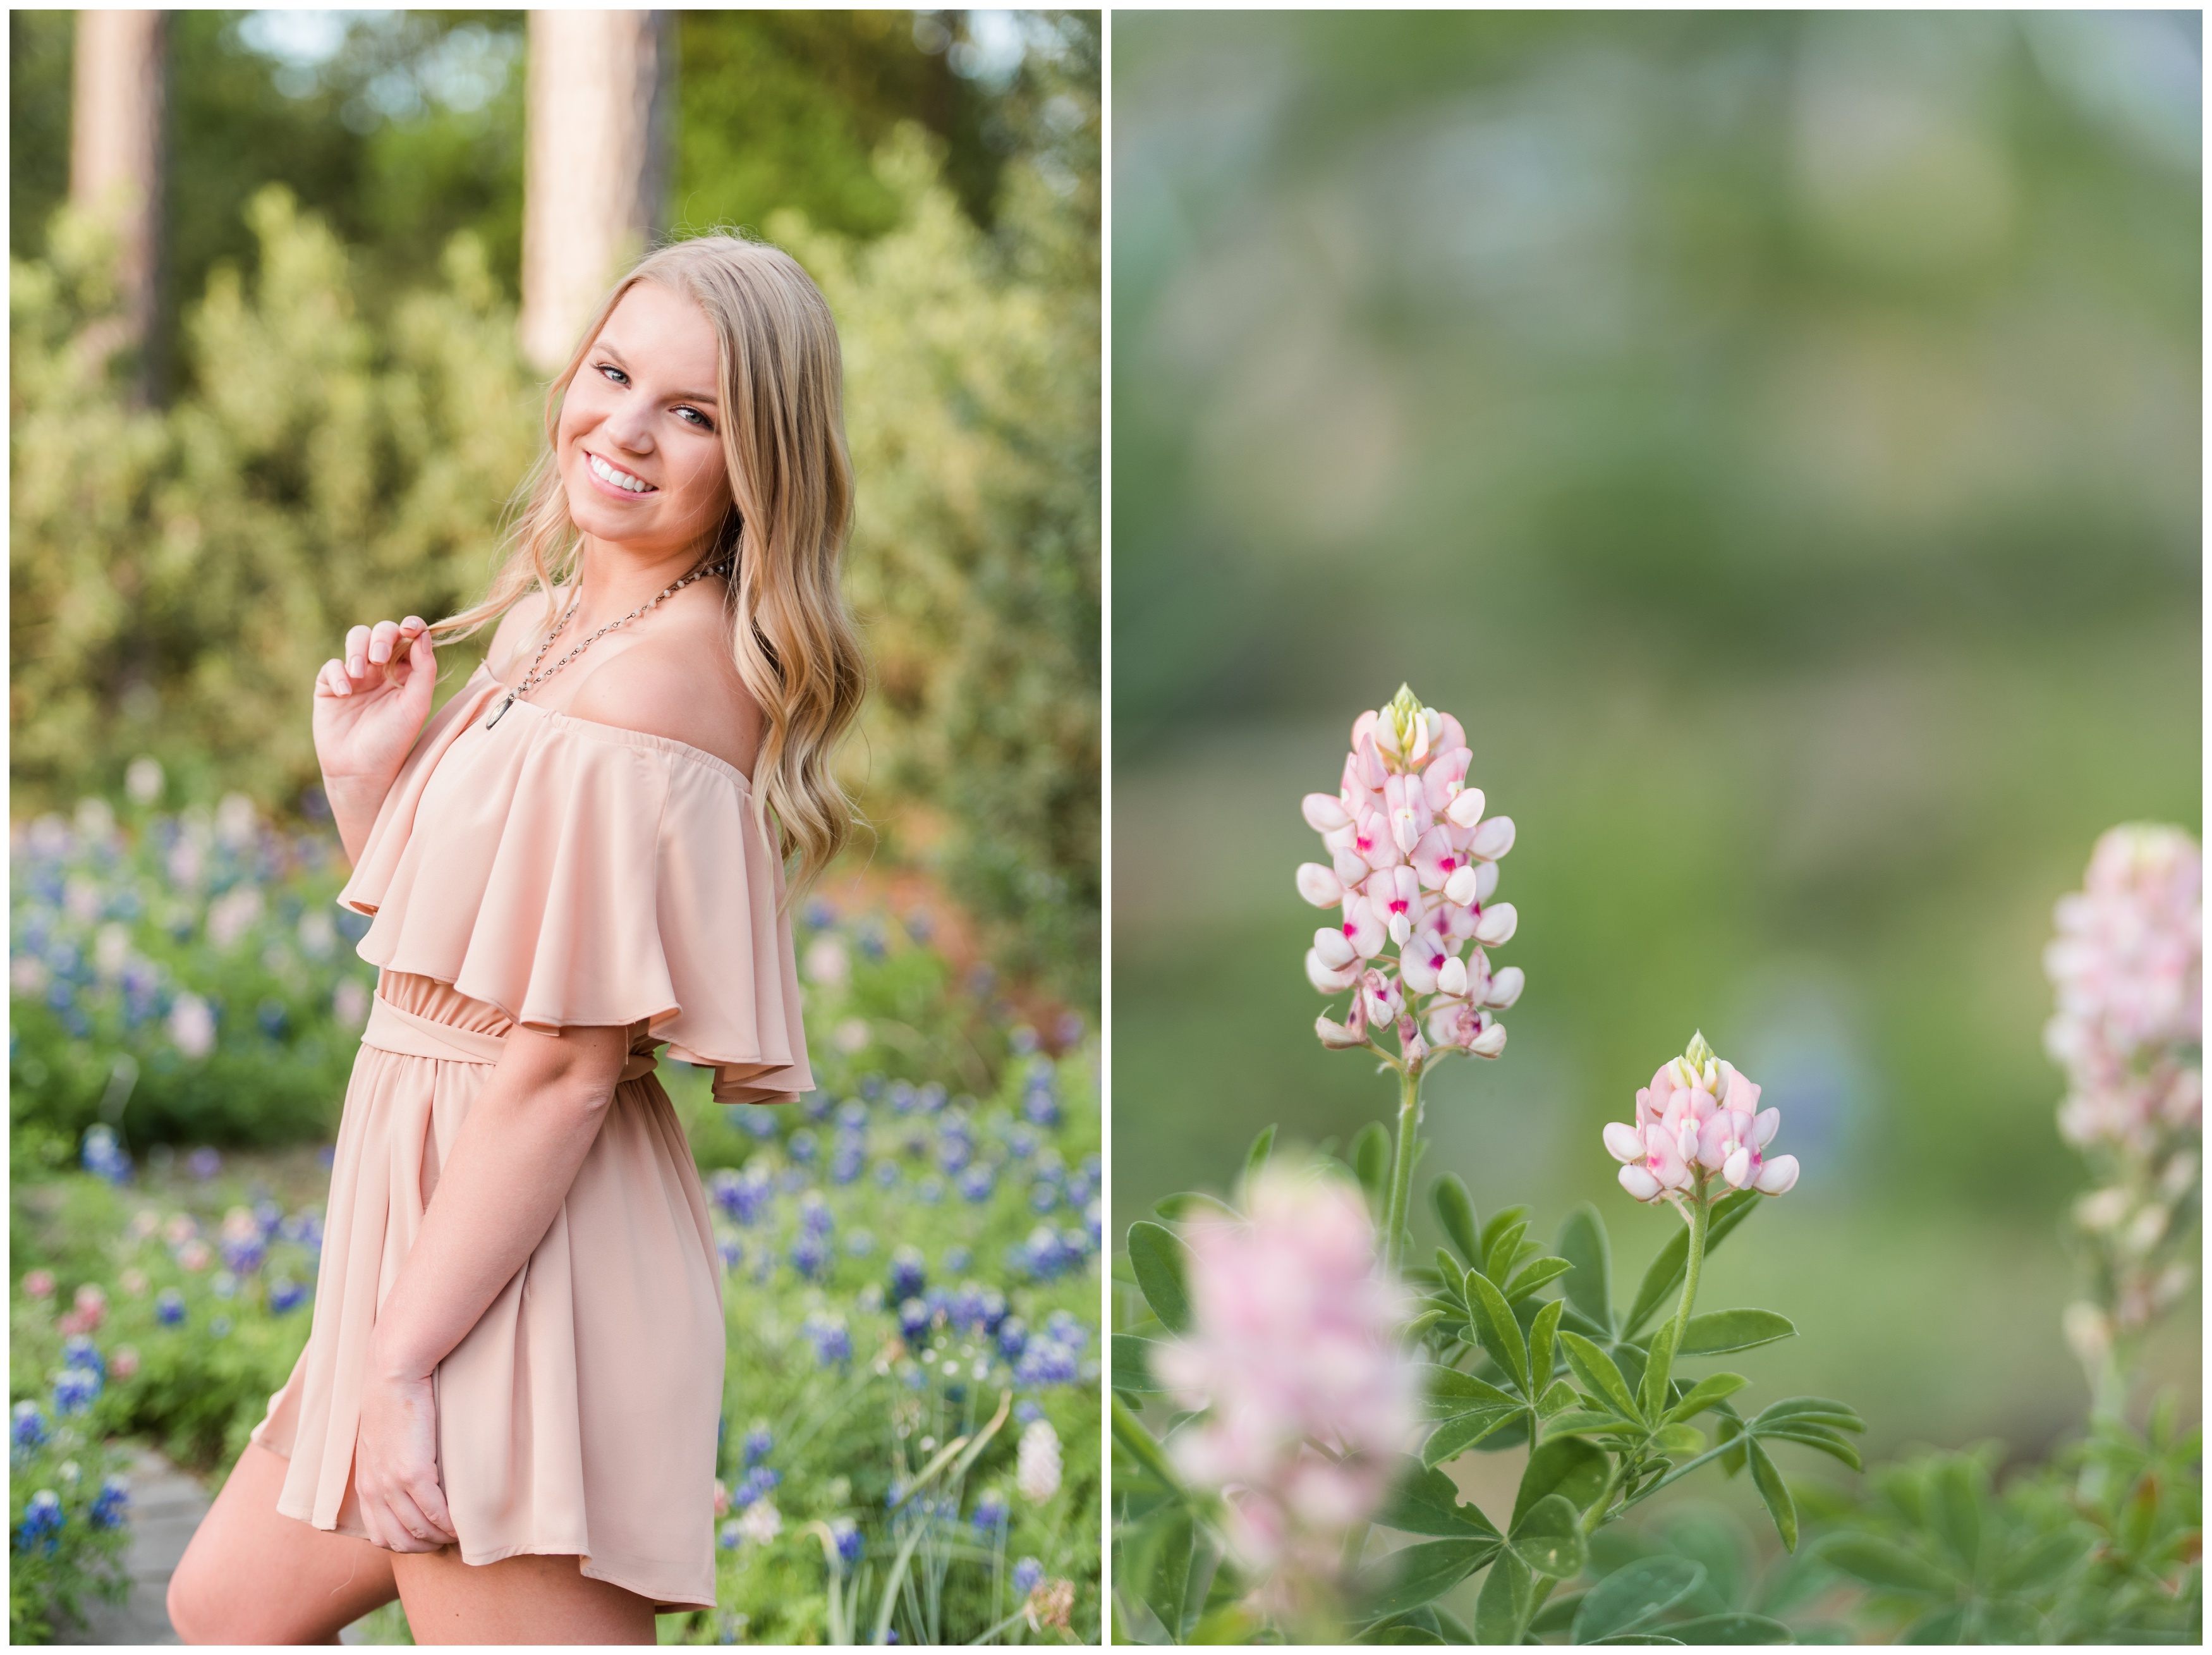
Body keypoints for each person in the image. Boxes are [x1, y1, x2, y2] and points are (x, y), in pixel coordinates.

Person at [167, 234, 867, 1644]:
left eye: (696, 412)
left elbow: (558, 1061)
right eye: (615, 374)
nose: (627, 427)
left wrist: (404, 1361)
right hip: (433, 1227)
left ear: (761, 463)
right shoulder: (552, 623)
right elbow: (478, 971)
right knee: (228, 1605)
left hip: (519, 1257)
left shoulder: (666, 690)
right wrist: (369, 783)